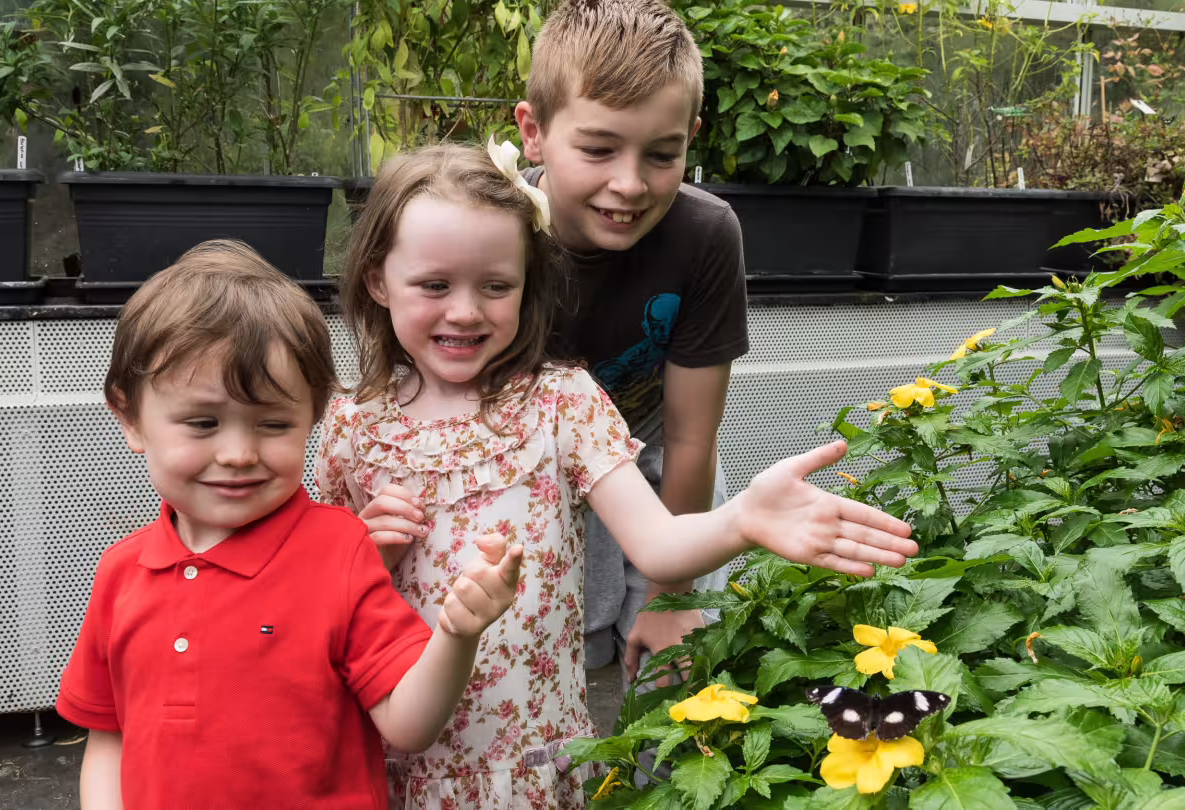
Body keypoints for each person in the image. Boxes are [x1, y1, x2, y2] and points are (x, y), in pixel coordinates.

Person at [316, 140, 918, 808]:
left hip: (532, 765)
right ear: (377, 280)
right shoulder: (353, 428)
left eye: (496, 285)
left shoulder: (561, 404)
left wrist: (743, 518)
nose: (465, 310)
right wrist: (366, 555)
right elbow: (319, 605)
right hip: (395, 767)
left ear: (527, 283)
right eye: (434, 285)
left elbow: (657, 543)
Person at [55, 240, 523, 809]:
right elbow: (108, 738)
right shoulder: (122, 573)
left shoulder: (339, 551)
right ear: (129, 417)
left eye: (273, 424)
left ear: (313, 414)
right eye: (203, 422)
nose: (237, 453)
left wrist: (457, 634)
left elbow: (406, 724)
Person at [515, 0, 749, 687]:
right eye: (597, 149)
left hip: (656, 463)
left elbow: (691, 439)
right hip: (538, 471)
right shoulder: (496, 228)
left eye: (661, 154)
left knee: (673, 665)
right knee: (565, 661)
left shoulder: (706, 235)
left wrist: (671, 592)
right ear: (533, 132)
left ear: (690, 139)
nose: (629, 183)